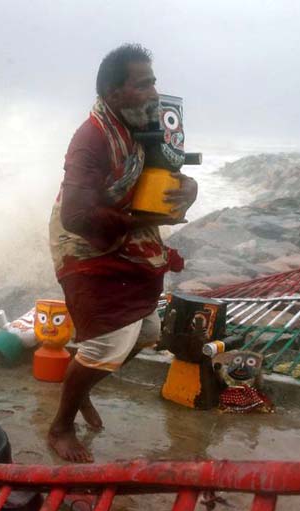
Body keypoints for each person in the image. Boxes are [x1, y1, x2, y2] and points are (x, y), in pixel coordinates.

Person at [47, 44, 198, 462]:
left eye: (153, 81)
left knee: (146, 334)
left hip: (127, 230)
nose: (154, 91)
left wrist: (189, 189)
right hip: (83, 243)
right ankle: (60, 426)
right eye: (143, 83)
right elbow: (77, 217)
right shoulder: (90, 138)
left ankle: (82, 391)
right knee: (103, 346)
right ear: (113, 92)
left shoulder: (143, 123)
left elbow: (171, 174)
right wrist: (137, 222)